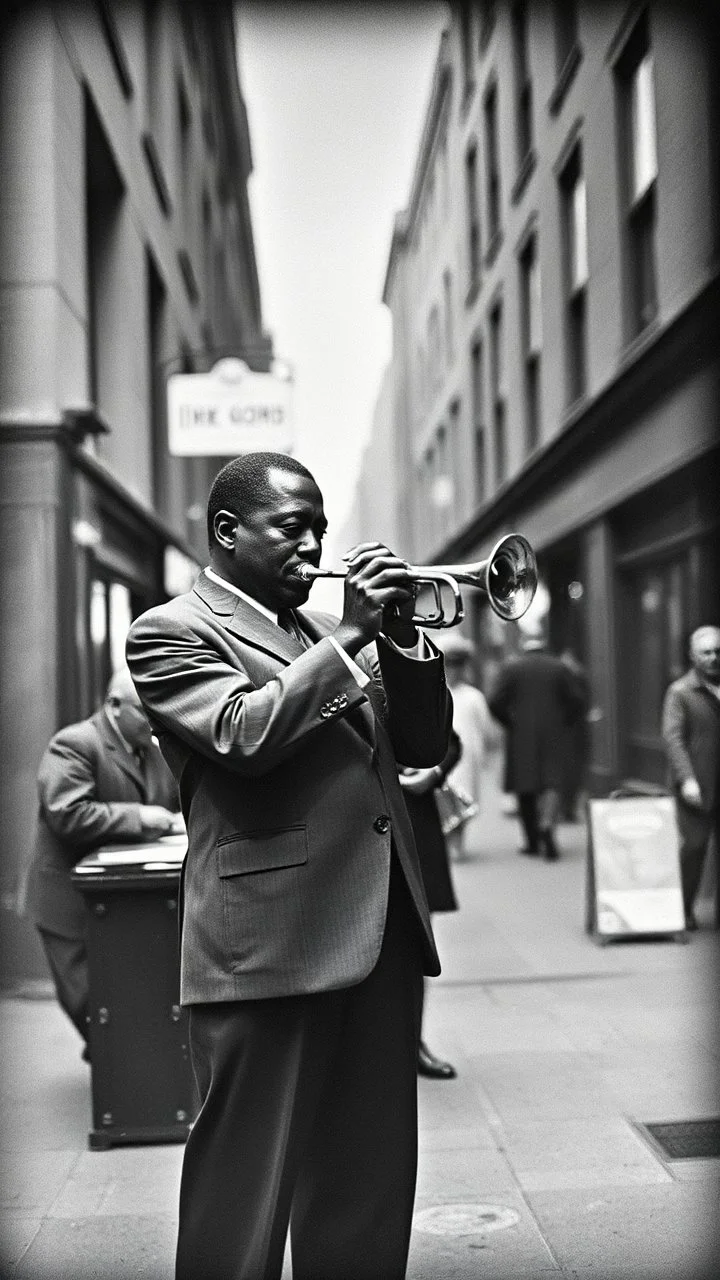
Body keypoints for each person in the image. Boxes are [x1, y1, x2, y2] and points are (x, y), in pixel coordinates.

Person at [125, 452, 452, 1280]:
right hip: (267, 948)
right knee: (246, 1194)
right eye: (291, 528)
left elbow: (421, 746)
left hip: (376, 938)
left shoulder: (312, 633)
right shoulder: (171, 630)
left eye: (320, 529)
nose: (313, 546)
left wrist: (403, 638)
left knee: (367, 1185)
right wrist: (350, 638)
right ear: (229, 533)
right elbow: (243, 734)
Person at [22, 669, 181, 1058]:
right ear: (113, 706)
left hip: (125, 900)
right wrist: (140, 818)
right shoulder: (75, 743)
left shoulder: (152, 749)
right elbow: (67, 813)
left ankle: (127, 1078)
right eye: (146, 712)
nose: (155, 720)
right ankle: (119, 1081)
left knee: (126, 1002)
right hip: (69, 901)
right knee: (91, 1004)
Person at [488, 630, 586, 861]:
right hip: (554, 734)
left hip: (521, 735)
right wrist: (565, 722)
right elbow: (577, 701)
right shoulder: (559, 668)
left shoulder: (512, 668)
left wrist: (509, 723)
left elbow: (494, 701)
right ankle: (547, 825)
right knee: (552, 782)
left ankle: (532, 842)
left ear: (524, 645)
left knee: (526, 788)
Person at [399, 730, 461, 1081]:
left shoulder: (400, 673)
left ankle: (412, 1043)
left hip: (413, 818)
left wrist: (433, 773)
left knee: (415, 945)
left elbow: (450, 740)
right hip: (347, 824)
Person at [661, 624, 720, 930]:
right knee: (694, 848)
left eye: (716, 651)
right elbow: (673, 739)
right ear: (692, 656)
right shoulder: (680, 692)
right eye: (705, 652)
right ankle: (682, 909)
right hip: (697, 785)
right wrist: (687, 778)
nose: (712, 658)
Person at [441, 634, 495, 860]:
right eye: (450, 666)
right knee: (443, 798)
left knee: (463, 799)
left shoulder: (474, 696)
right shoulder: (438, 694)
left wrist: (486, 753)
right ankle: (448, 842)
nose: (453, 671)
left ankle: (457, 842)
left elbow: (486, 728)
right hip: (442, 755)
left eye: (457, 666)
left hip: (467, 755)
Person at [559, 648, 591, 821]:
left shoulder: (567, 679)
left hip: (567, 732)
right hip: (574, 732)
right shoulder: (578, 678)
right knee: (572, 773)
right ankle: (567, 808)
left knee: (567, 773)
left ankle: (566, 808)